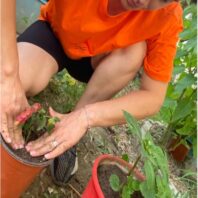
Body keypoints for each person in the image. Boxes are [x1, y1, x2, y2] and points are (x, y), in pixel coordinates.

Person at [1, 0, 183, 185]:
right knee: (19, 80)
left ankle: (70, 126)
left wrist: (86, 117)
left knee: (135, 50)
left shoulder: (167, 16)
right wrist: (8, 76)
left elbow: (153, 97)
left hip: (99, 61)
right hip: (54, 34)